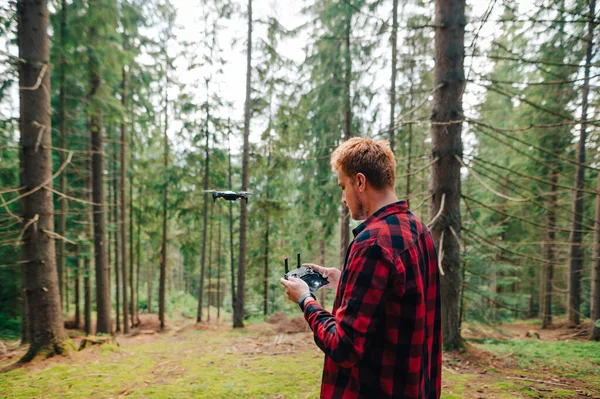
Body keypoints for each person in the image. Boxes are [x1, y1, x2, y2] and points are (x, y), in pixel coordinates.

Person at [280, 137, 442, 399]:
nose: (343, 198)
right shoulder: (418, 229)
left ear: (360, 182)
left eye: (343, 186)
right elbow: (400, 297)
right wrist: (344, 280)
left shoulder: (372, 244)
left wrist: (305, 299)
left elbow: (343, 346)